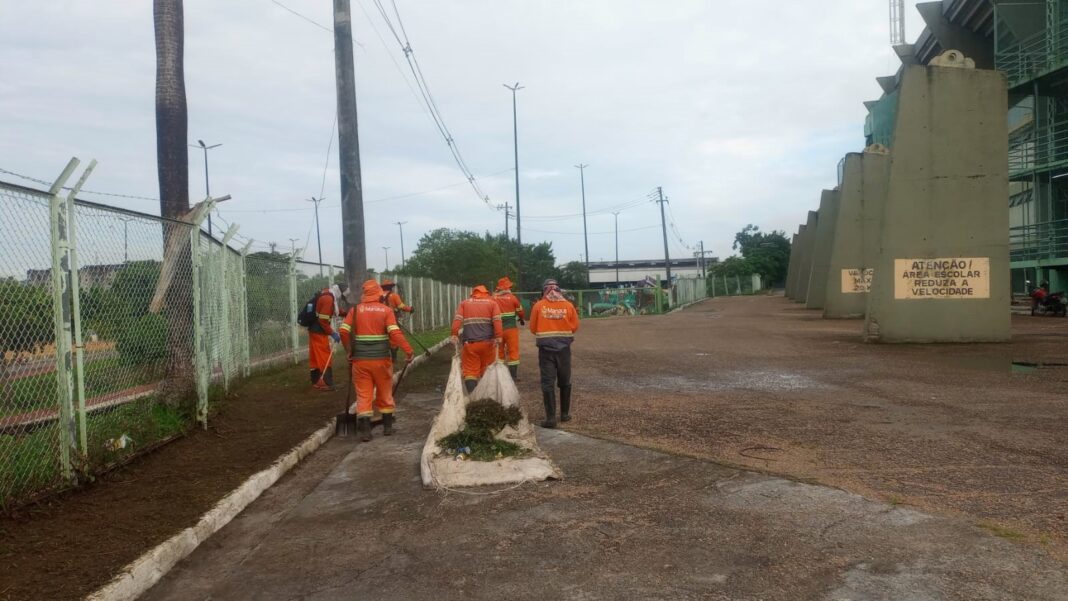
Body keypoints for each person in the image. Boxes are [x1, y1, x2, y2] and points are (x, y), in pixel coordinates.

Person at [339, 280, 414, 441]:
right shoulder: (386, 310)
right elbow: (395, 334)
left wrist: (349, 350)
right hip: (382, 360)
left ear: (364, 294)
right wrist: (408, 351)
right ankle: (387, 428)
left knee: (364, 394)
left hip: (360, 361)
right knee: (385, 392)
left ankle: (365, 431)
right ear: (378, 293)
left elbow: (343, 331)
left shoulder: (356, 310)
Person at [528, 278, 580, 428]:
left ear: (543, 291)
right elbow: (575, 326)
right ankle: (564, 415)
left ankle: (550, 419)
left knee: (547, 383)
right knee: (565, 381)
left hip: (546, 350)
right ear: (558, 290)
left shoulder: (538, 306)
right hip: (564, 349)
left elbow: (532, 328)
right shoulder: (568, 305)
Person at [451, 284, 503, 394]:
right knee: (487, 370)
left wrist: (454, 334)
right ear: (486, 293)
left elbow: (457, 320)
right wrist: (498, 336)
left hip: (470, 345)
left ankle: (473, 398)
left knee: (470, 372)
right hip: (488, 344)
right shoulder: (492, 303)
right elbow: (497, 321)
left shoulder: (464, 303)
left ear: (473, 294)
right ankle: (486, 398)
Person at [308, 284, 345, 392]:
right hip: (319, 332)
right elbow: (323, 321)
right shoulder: (328, 299)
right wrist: (333, 333)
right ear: (339, 292)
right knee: (324, 356)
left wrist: (346, 313)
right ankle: (327, 383)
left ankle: (316, 382)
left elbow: (333, 311)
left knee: (315, 358)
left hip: (314, 330)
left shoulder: (326, 295)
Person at [493, 276, 526, 381]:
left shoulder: (493, 298)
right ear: (506, 288)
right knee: (513, 352)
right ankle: (513, 377)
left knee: (500, 352)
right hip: (511, 329)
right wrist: (521, 319)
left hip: (497, 330)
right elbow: (520, 312)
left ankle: (500, 376)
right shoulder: (512, 297)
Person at [381, 279, 415, 364]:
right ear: (391, 287)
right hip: (392, 320)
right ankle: (393, 359)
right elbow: (401, 306)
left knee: (383, 338)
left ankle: (383, 357)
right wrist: (410, 309)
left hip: (380, 320)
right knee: (394, 339)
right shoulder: (393, 296)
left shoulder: (379, 296)